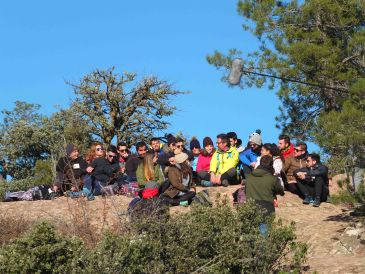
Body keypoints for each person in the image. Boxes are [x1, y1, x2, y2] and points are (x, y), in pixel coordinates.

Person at [245, 155, 285, 235]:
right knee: (263, 237)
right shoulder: (272, 179)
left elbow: (246, 190)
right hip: (266, 208)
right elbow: (280, 190)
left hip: (250, 207)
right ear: (271, 165)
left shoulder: (249, 177)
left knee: (250, 235)